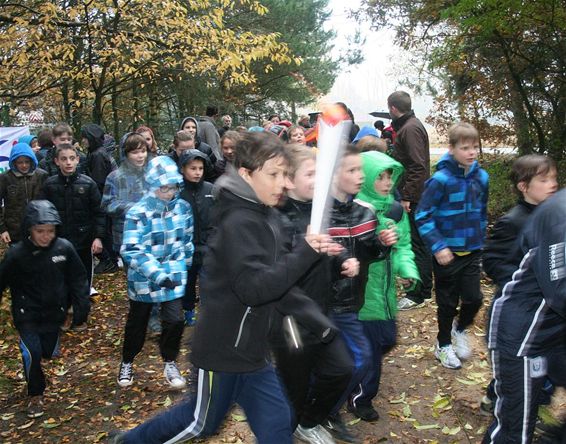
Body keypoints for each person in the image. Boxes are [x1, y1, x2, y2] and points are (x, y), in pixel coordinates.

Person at [109, 132, 337, 444]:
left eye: (285, 174)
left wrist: (318, 322)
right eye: (273, 174)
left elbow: (280, 283)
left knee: (277, 426)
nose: (283, 183)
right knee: (199, 423)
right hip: (222, 352)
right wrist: (305, 253)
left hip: (254, 353)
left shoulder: (268, 217)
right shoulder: (238, 222)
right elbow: (254, 288)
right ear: (246, 174)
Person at [273, 145, 355, 444]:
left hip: (321, 311)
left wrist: (340, 260)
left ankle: (307, 422)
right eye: (311, 173)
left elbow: (324, 256)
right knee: (293, 386)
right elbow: (278, 275)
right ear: (290, 180)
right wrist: (305, 249)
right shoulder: (276, 219)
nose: (319, 180)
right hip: (291, 321)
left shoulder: (318, 211)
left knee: (342, 369)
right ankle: (290, 426)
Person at [325, 144, 397, 442]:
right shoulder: (319, 215)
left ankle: (326, 409)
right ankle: (320, 412)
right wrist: (339, 262)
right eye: (351, 170)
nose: (358, 176)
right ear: (333, 176)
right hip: (325, 304)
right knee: (349, 360)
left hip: (353, 303)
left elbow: (367, 254)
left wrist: (381, 243)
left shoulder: (364, 213)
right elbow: (309, 258)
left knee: (358, 360)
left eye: (359, 170)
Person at [483, 188, 566, 443]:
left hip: (556, 331)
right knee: (515, 429)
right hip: (525, 334)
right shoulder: (559, 216)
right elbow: (559, 289)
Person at [481, 155, 558, 415]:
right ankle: (498, 398)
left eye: (555, 178)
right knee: (519, 368)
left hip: (548, 312)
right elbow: (491, 261)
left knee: (544, 364)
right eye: (544, 179)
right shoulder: (513, 221)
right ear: (523, 186)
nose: (553, 184)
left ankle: (533, 395)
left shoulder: (556, 219)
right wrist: (523, 280)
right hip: (519, 311)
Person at [0, 200, 90, 418]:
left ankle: (40, 370)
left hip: (54, 313)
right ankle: (35, 394)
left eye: (50, 231)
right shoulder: (16, 254)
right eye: (40, 231)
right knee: (32, 352)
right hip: (26, 313)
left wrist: (81, 309)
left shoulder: (63, 248)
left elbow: (78, 278)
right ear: (29, 229)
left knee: (48, 351)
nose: (45, 235)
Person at [350, 151, 420, 422]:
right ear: (367, 177)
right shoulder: (356, 210)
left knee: (387, 340)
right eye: (380, 176)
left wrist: (408, 271)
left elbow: (404, 246)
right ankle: (360, 398)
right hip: (364, 292)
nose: (387, 182)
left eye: (390, 176)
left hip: (387, 291)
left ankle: (353, 378)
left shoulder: (393, 209)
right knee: (371, 348)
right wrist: (375, 241)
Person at [415, 122, 489, 369]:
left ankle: (460, 329)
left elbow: (482, 212)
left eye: (475, 147)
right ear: (452, 148)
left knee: (474, 298)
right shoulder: (440, 180)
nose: (471, 152)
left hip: (472, 251)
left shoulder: (481, 177)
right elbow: (422, 215)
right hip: (447, 254)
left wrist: (481, 243)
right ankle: (443, 344)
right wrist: (438, 246)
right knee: (447, 303)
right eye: (465, 147)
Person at [116, 156, 193, 390]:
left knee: (175, 321)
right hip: (144, 280)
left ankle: (170, 361)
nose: (168, 192)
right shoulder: (138, 212)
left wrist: (182, 267)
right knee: (137, 324)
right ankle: (127, 361)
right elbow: (131, 249)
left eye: (172, 187)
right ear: (152, 186)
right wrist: (157, 274)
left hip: (173, 278)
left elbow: (187, 241)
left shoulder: (183, 208)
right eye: (163, 187)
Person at [39, 143, 105, 300]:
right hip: (58, 241)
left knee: (83, 279)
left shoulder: (88, 184)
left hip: (84, 241)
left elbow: (99, 213)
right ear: (57, 161)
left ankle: (80, 315)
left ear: (77, 160)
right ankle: (63, 313)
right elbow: (42, 214)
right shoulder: (49, 185)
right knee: (59, 278)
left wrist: (98, 237)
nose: (68, 162)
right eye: (64, 159)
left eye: (71, 158)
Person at [388, 91, 432, 310]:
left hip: (416, 197)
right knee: (419, 243)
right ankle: (423, 291)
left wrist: (408, 196)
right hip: (416, 194)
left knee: (416, 245)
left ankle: (418, 295)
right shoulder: (408, 126)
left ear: (393, 109)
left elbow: (418, 165)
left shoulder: (410, 129)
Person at [179, 149, 214, 326]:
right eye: (193, 168)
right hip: (187, 247)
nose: (197, 172)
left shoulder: (210, 189)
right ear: (183, 169)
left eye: (200, 168)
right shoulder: (178, 192)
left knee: (208, 281)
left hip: (208, 245)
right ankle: (188, 310)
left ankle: (209, 313)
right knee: (188, 282)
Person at [101, 133, 149, 257]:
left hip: (150, 235)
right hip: (125, 235)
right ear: (125, 154)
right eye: (135, 152)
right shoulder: (114, 177)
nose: (140, 156)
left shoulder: (152, 174)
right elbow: (107, 204)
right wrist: (132, 208)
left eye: (143, 151)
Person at [0, 142, 48, 245]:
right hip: (14, 232)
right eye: (20, 162)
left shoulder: (41, 176)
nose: (24, 165)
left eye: (27, 161)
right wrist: (2, 229)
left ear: (32, 161)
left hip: (39, 229)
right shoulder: (5, 178)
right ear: (14, 162)